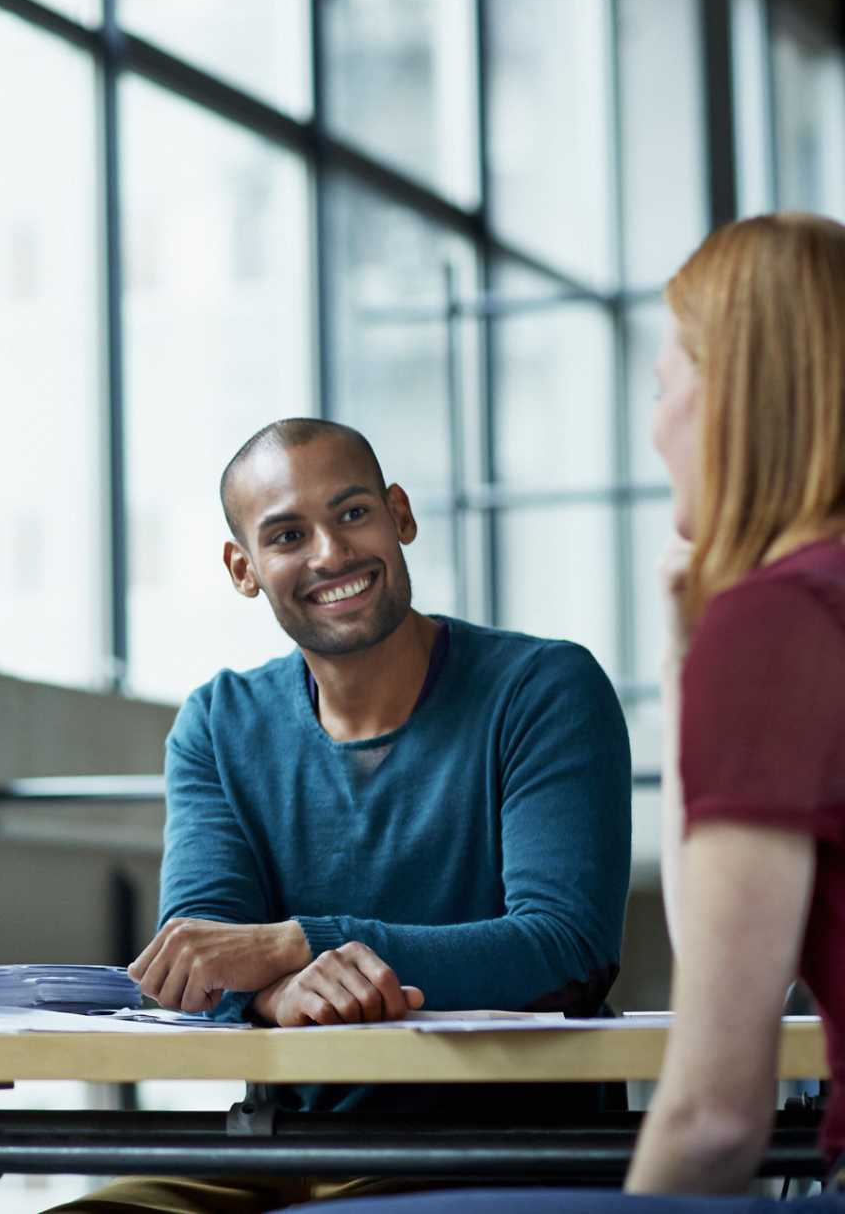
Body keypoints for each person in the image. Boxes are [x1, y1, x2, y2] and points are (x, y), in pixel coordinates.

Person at [288, 214, 845, 1212]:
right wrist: (685, 662)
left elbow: (715, 1108)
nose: (655, 420)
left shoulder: (778, 623)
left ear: (736, 399)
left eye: (662, 383)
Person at [52, 417, 632, 1214]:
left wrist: (301, 942)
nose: (330, 553)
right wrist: (270, 995)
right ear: (244, 568)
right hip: (277, 1146)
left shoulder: (545, 689)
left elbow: (567, 948)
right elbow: (203, 949)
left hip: (496, 1158)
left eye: (353, 513)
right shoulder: (219, 722)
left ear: (400, 515)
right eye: (288, 534)